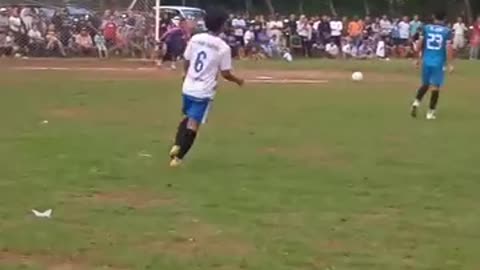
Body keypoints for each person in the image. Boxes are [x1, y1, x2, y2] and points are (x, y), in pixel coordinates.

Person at [168, 9, 244, 167]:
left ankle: (177, 145)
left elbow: (187, 59)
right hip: (203, 90)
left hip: (188, 86)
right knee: (193, 124)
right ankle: (178, 158)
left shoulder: (196, 38)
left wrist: (185, 73)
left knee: (187, 116)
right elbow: (225, 73)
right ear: (222, 26)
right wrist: (238, 80)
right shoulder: (223, 47)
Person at [410, 11, 453, 120]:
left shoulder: (426, 28)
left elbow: (420, 43)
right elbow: (448, 48)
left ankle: (416, 103)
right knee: (435, 87)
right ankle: (430, 113)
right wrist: (450, 63)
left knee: (425, 84)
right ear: (444, 19)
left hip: (426, 60)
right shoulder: (447, 31)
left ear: (434, 17)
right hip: (438, 62)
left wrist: (417, 59)